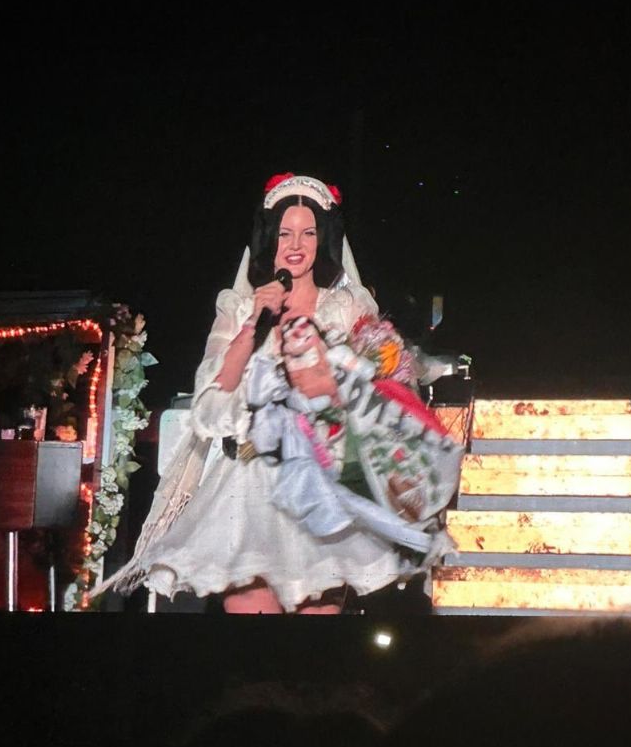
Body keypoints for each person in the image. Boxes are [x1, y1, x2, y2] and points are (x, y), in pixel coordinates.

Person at [94, 173, 461, 614]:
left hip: (322, 484)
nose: (296, 244)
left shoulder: (345, 308)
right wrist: (253, 323)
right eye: (286, 232)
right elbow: (212, 400)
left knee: (317, 624)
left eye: (308, 232)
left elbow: (378, 389)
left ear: (323, 240)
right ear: (269, 239)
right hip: (248, 483)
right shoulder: (239, 307)